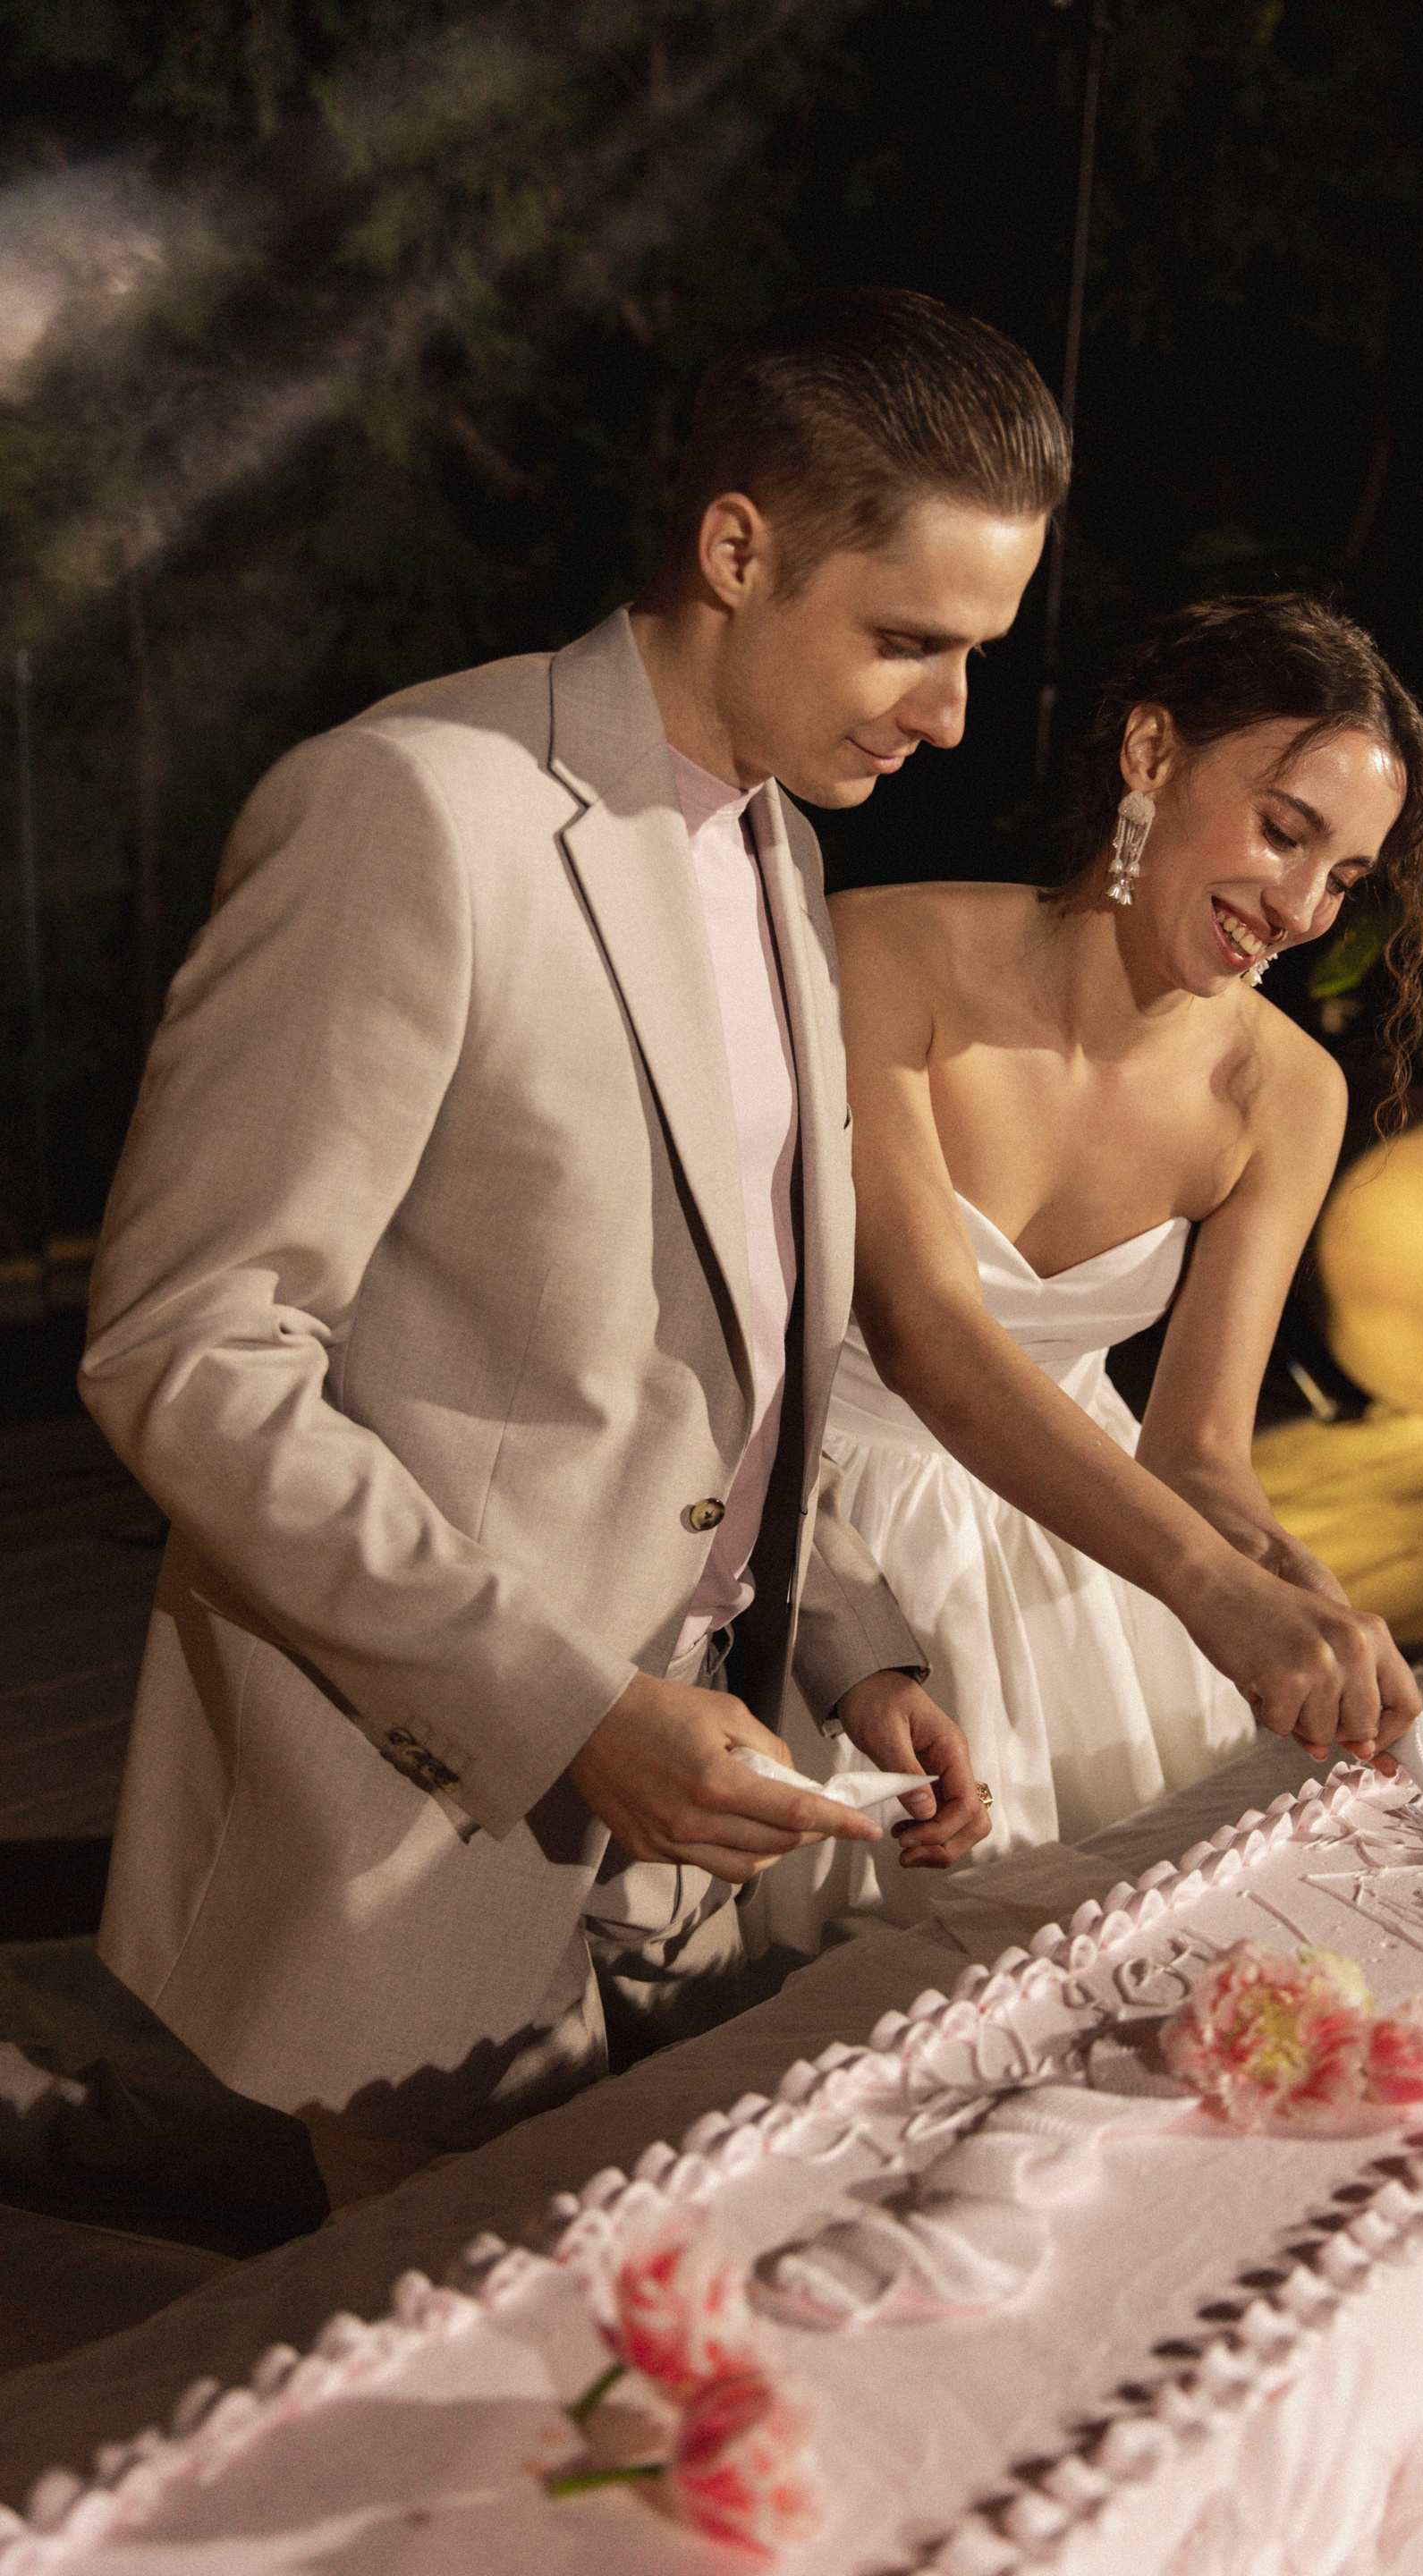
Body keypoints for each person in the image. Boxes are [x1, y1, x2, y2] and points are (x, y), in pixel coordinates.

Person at [77, 286, 1062, 2196]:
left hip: (691, 1833)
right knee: (467, 2369)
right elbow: (189, 1353)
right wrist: (566, 1713)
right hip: (421, 1823)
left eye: (975, 653)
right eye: (909, 641)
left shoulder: (782, 841)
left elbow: (736, 1332)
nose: (950, 714)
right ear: (736, 549)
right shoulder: (409, 807)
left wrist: (853, 1650)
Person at [760, 594, 1423, 1945]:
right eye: (1284, 831)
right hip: (819, 1541)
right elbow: (925, 1333)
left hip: (1093, 1565)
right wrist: (1213, 1587)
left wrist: (1293, 1588)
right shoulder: (884, 952)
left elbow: (1198, 1453)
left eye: (1345, 878)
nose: (1300, 908)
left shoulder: (1287, 1091)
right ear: (1150, 754)